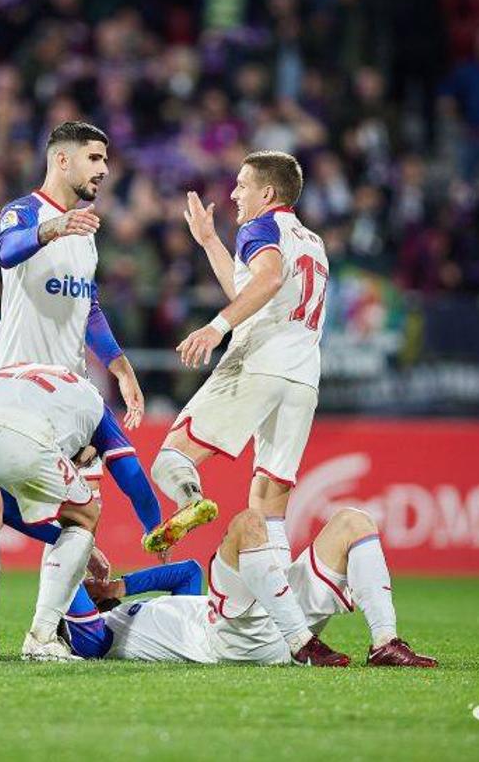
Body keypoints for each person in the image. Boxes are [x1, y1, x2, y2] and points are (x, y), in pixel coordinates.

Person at [0, 121, 169, 656]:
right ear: (62, 161)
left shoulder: (87, 235)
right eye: (94, 158)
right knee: (8, 513)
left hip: (66, 396)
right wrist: (51, 230)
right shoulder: (26, 211)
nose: (104, 170)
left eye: (106, 160)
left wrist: (122, 367)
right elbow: (5, 251)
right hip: (15, 385)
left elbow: (90, 309)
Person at [144, 150, 346, 666]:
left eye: (240, 185)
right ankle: (279, 633)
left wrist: (216, 326)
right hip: (303, 377)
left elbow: (268, 280)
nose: (233, 195)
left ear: (268, 194)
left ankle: (190, 500)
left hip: (258, 362)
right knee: (268, 497)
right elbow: (256, 288)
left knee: (172, 457)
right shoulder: (313, 241)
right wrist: (210, 242)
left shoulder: (261, 228)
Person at [68, 508, 438, 668]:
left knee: (354, 522)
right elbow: (79, 617)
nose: (87, 586)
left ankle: (384, 643)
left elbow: (186, 572)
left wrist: (118, 587)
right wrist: (75, 562)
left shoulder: (134, 610)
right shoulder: (101, 638)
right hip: (233, 640)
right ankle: (301, 644)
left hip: (273, 613)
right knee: (248, 523)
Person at [0, 362, 112, 661]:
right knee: (85, 517)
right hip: (18, 438)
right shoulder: (91, 407)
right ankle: (41, 637)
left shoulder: (19, 377)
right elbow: (129, 468)